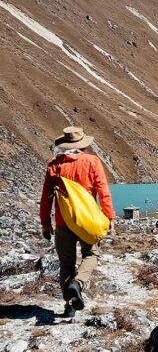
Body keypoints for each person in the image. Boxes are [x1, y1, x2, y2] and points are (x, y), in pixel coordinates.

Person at [40, 126, 115, 317]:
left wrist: (45, 223)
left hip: (63, 222)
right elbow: (103, 192)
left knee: (66, 264)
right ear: (83, 145)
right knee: (91, 254)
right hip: (87, 222)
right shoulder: (92, 162)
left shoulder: (54, 165)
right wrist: (109, 217)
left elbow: (46, 198)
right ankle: (79, 282)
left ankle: (70, 306)